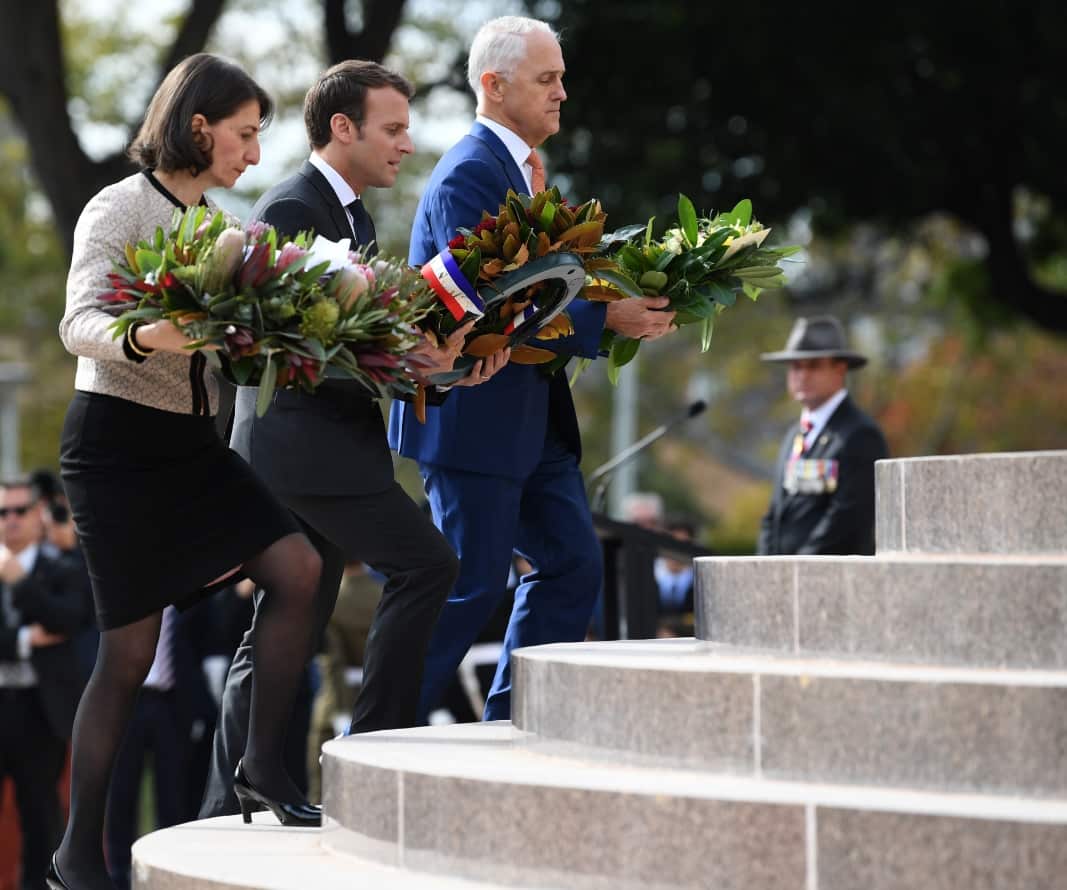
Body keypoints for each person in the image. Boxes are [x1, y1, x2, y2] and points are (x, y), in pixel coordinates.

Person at [200, 60, 507, 819]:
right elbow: (281, 352)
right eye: (393, 128)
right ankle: (372, 755)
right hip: (298, 446)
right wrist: (416, 365)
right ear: (343, 128)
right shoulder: (290, 210)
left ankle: (229, 794)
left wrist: (443, 368)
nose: (407, 144)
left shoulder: (355, 219)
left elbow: (354, 346)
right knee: (427, 562)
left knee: (288, 620)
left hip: (318, 448)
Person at [53, 53, 324, 890]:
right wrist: (148, 335)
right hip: (116, 449)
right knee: (128, 655)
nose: (251, 153)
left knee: (300, 568)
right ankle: (75, 855)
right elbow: (79, 321)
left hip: (193, 448)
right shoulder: (119, 204)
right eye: (244, 135)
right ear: (199, 125)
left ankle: (262, 765)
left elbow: (233, 346)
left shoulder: (224, 226)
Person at [388, 15, 677, 722]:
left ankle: (507, 731)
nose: (561, 94)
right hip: (474, 421)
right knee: (467, 587)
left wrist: (619, 295)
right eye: (547, 79)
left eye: (560, 79)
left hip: (528, 422)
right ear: (494, 84)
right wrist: (605, 317)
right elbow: (481, 303)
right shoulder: (468, 173)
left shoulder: (512, 169)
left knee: (573, 565)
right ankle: (372, 740)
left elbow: (542, 282)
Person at [0, 479, 90, 890]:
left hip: (40, 713)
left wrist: (20, 581)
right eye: (3, 513)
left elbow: (68, 619)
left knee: (41, 817)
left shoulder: (62, 567)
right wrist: (21, 639)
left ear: (39, 514)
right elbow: (38, 630)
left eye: (21, 511)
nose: (12, 520)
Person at [757, 315, 889, 556]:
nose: (802, 375)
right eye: (796, 367)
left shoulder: (859, 434)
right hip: (782, 582)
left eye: (814, 365)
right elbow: (775, 514)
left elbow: (848, 519)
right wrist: (765, 569)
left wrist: (798, 570)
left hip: (830, 581)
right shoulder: (793, 436)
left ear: (840, 369)